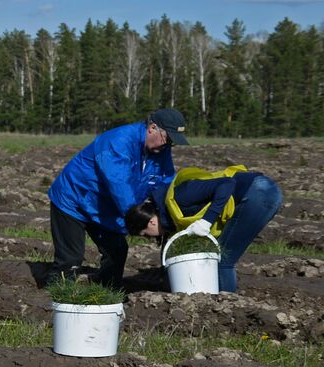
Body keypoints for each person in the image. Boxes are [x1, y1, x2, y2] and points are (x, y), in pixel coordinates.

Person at [46, 108, 186, 288]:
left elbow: (165, 181)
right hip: (74, 200)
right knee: (71, 258)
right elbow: (120, 187)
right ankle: (56, 299)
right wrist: (140, 221)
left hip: (104, 207)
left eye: (172, 143)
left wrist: (170, 215)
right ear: (152, 128)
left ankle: (106, 292)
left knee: (117, 250)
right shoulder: (118, 142)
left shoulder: (160, 150)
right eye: (168, 139)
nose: (168, 146)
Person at [125, 166, 283, 293]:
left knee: (222, 260)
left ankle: (225, 310)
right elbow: (168, 247)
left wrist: (207, 220)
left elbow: (227, 184)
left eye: (145, 235)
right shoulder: (169, 214)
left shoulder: (181, 196)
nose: (150, 238)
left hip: (259, 192)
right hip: (259, 191)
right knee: (220, 255)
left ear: (151, 222)